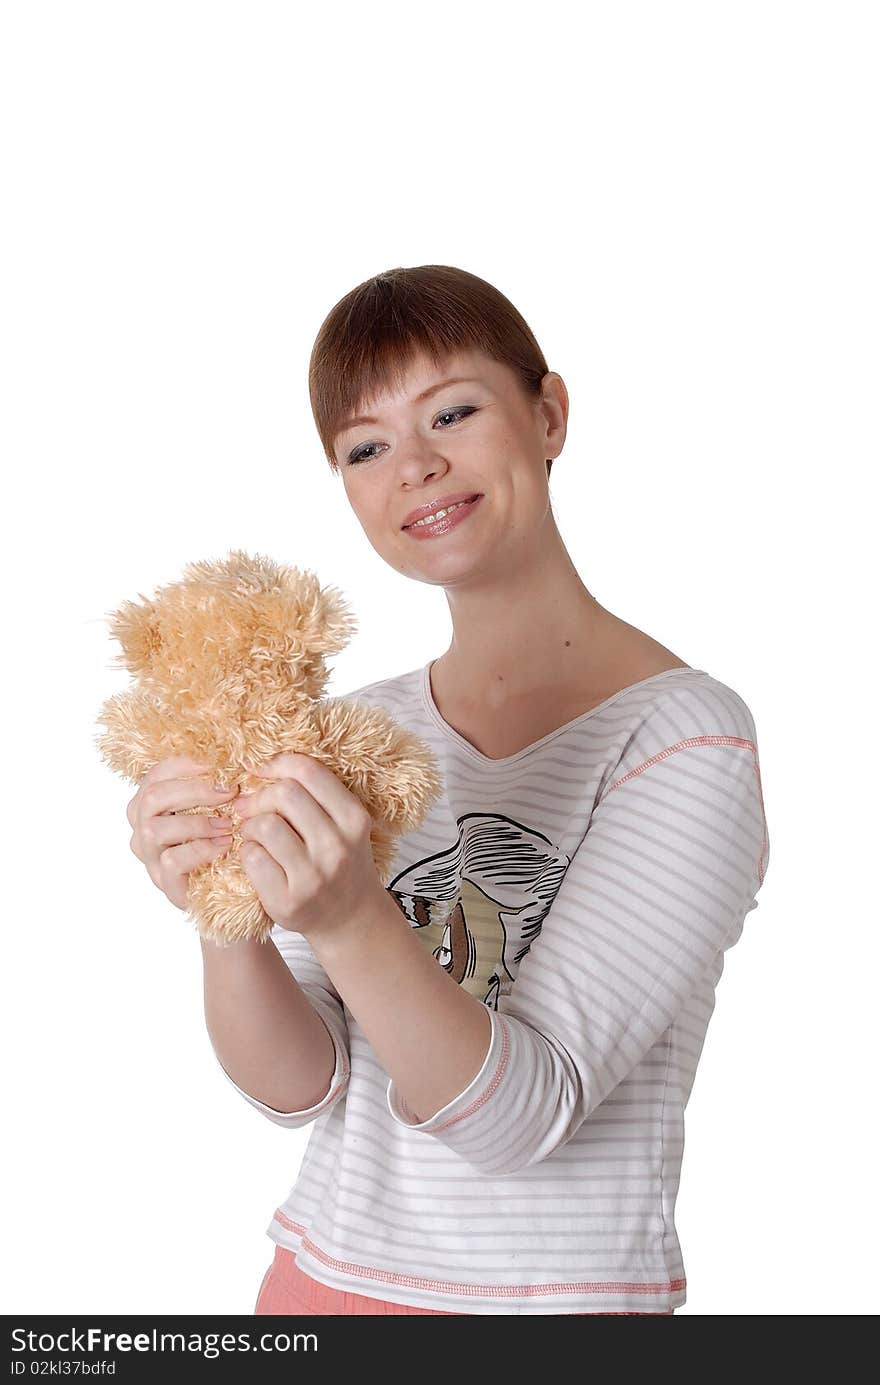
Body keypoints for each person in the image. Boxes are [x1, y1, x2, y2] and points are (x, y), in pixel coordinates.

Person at [127, 265, 770, 1315]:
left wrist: (345, 913)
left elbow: (521, 1115)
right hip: (312, 1288)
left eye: (453, 412)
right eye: (365, 447)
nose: (415, 467)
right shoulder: (358, 729)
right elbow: (300, 1087)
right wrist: (222, 908)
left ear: (547, 413)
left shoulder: (683, 736)